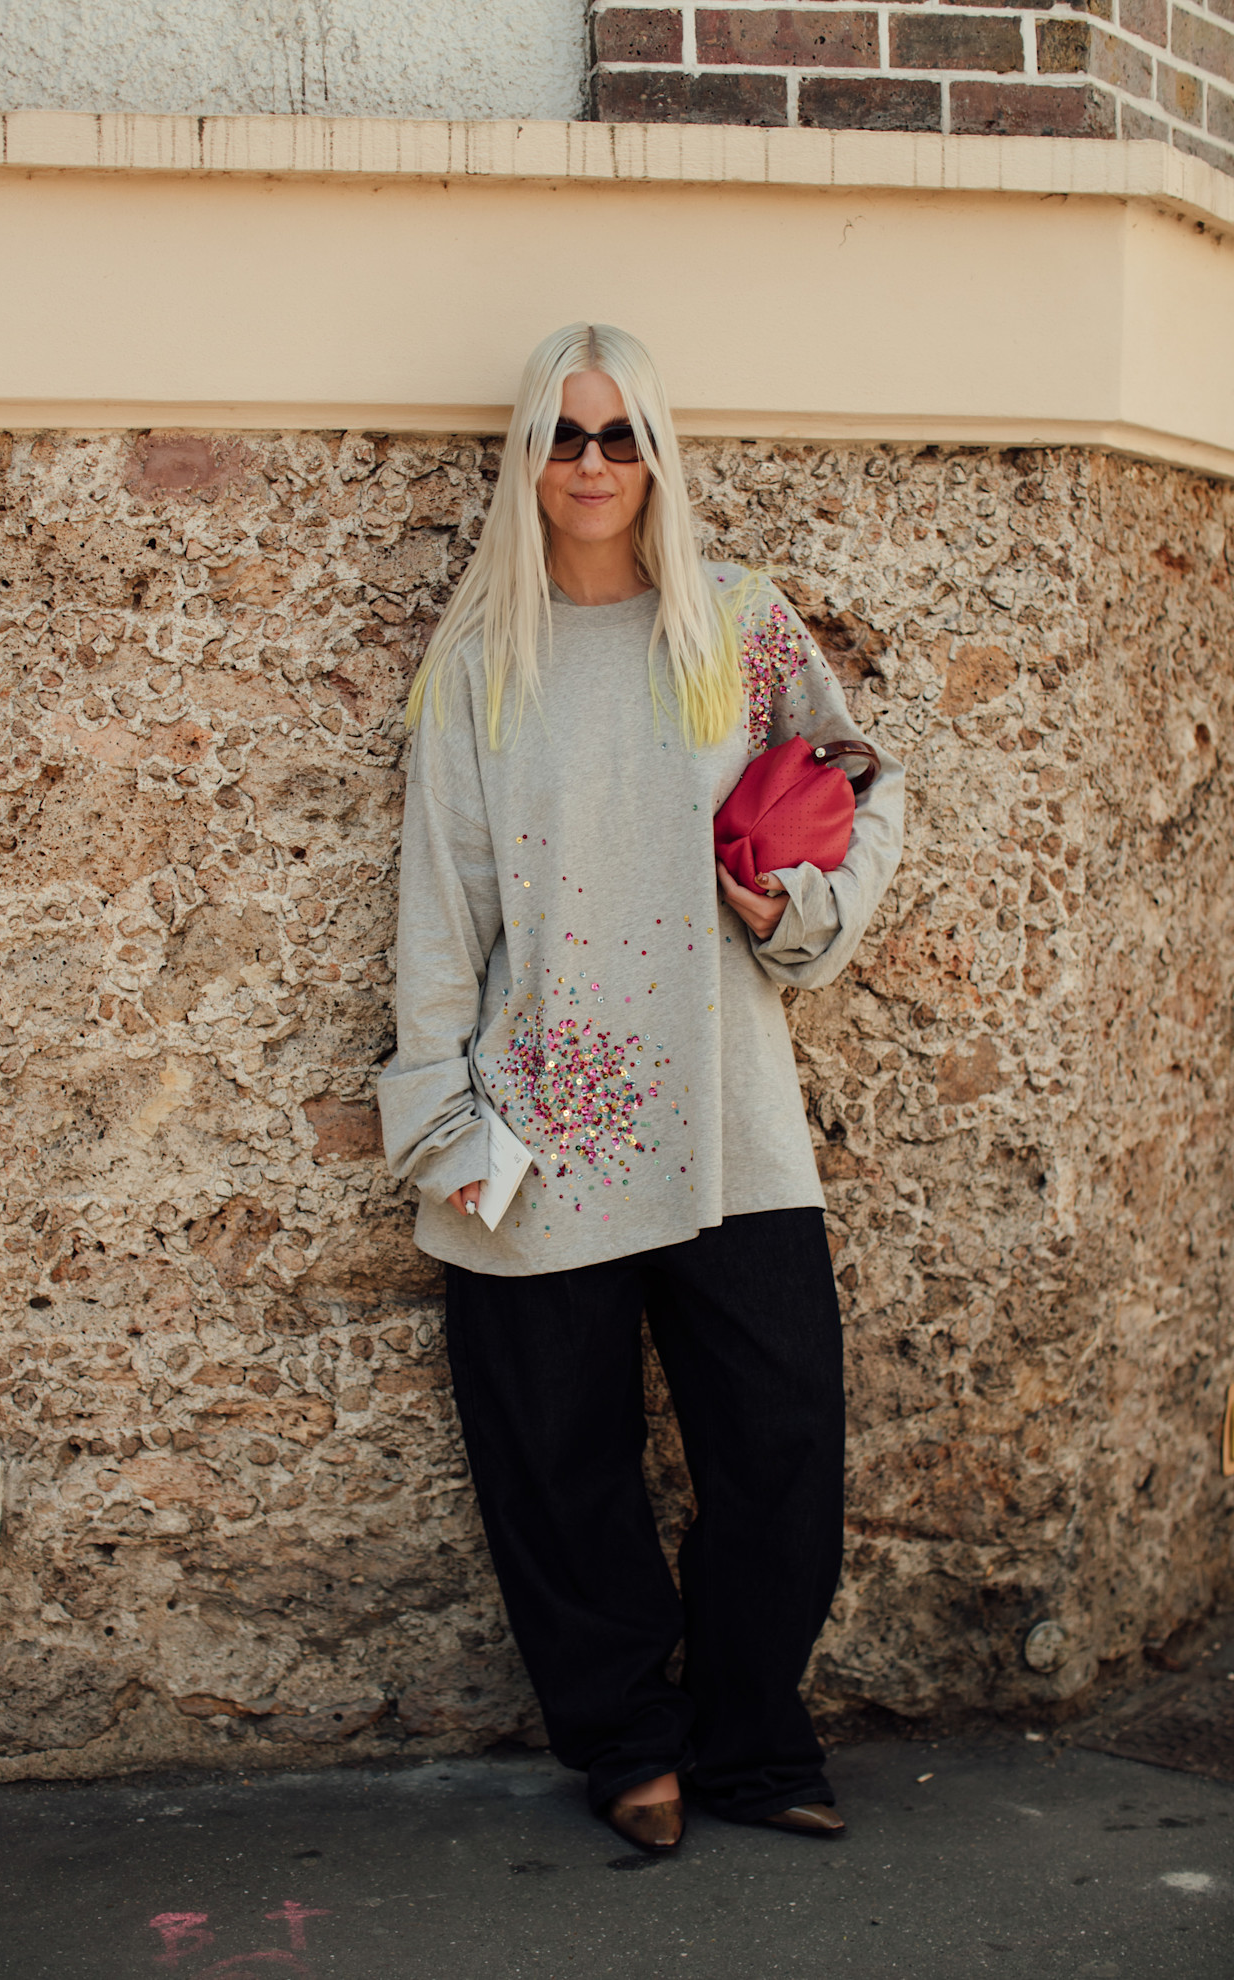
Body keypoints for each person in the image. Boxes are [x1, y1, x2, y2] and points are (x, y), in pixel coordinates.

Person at [378, 323, 904, 1853]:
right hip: (536, 1124)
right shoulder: (481, 666)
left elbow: (864, 785)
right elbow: (438, 913)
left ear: (659, 454)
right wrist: (442, 1129)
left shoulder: (737, 627)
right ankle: (626, 1745)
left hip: (730, 1118)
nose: (593, 465)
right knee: (558, 1466)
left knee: (787, 1447)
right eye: (564, 435)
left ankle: (750, 1739)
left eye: (620, 436)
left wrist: (794, 915)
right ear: (527, 460)